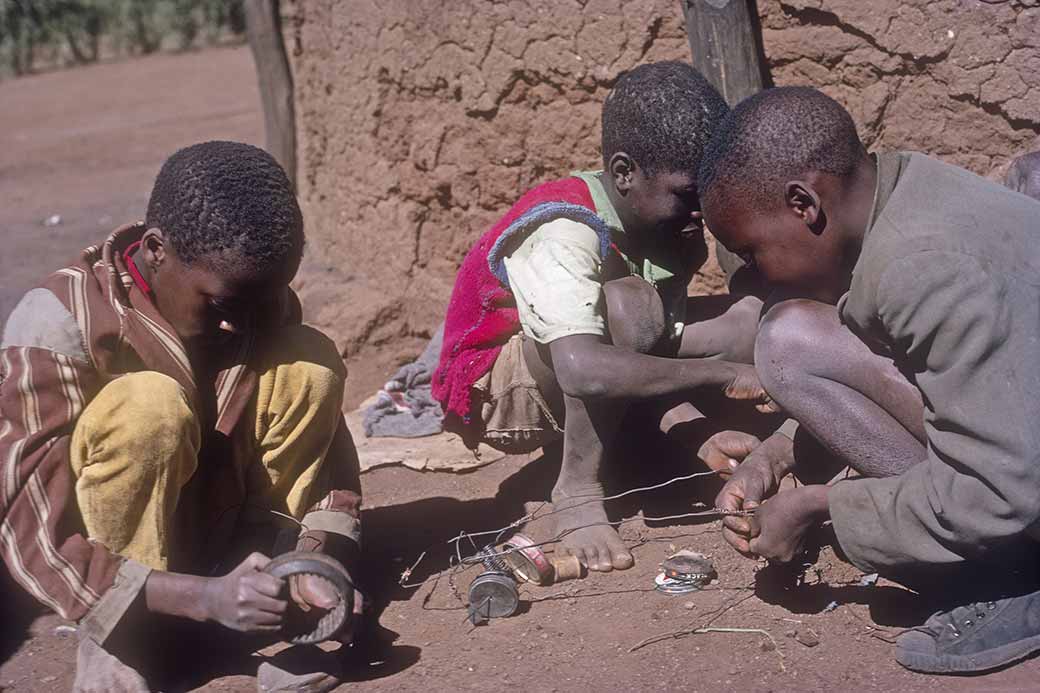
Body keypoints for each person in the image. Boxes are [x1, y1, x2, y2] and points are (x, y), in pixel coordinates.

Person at [698, 86, 1040, 674]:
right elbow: (917, 369)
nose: (749, 278)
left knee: (785, 338)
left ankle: (1012, 580)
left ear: (804, 204)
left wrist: (823, 506)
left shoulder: (920, 268)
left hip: (1019, 485)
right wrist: (779, 452)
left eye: (750, 254)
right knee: (789, 340)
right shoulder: (907, 188)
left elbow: (1005, 489)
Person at [0, 141, 363, 692]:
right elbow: (31, 535)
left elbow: (327, 456)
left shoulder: (248, 300)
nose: (240, 325)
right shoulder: (59, 324)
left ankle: (268, 601)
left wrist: (316, 557)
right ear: (154, 250)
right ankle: (125, 643)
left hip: (228, 542)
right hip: (116, 575)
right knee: (149, 407)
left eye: (265, 300)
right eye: (221, 306)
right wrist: (199, 598)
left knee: (308, 359)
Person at [433, 61, 773, 575]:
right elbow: (583, 368)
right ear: (623, 174)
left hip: (594, 352)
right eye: (688, 193)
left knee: (750, 320)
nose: (703, 208)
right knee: (628, 307)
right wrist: (723, 375)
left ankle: (666, 431)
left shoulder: (660, 216)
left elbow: (654, 335)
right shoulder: (562, 229)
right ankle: (577, 486)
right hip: (503, 392)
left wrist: (685, 261)